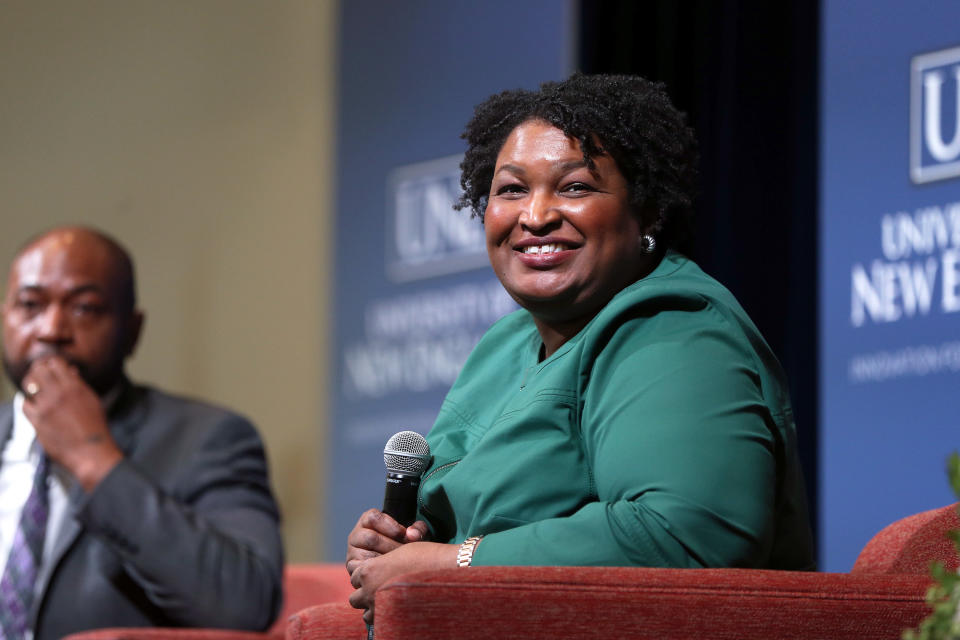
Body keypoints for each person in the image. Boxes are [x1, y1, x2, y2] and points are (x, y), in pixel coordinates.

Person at [346, 73, 815, 625]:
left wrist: (455, 563)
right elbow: (439, 531)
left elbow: (687, 532)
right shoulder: (504, 345)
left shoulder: (674, 330)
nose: (536, 215)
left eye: (575, 187)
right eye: (512, 189)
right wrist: (394, 549)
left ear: (647, 211)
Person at [0, 226, 283, 639]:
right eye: (30, 305)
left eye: (84, 308)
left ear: (133, 331)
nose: (51, 329)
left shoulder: (208, 439)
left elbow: (243, 604)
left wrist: (93, 458)